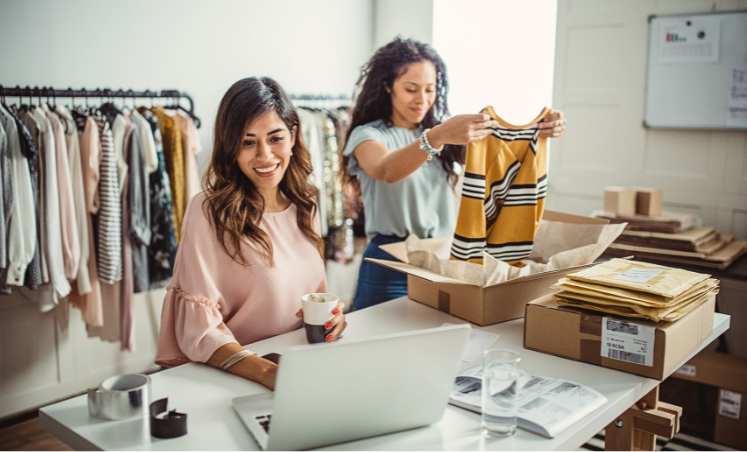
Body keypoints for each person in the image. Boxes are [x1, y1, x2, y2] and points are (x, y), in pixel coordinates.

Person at [341, 37, 566, 310]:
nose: (422, 99)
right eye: (411, 89)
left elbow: (499, 154)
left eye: (430, 89)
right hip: (391, 262)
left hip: (444, 258)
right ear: (388, 86)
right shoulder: (368, 135)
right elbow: (387, 170)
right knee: (376, 342)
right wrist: (436, 137)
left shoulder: (445, 136)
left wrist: (539, 129)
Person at [156, 77, 347, 390]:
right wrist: (269, 374)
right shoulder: (208, 212)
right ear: (230, 146)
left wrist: (333, 318)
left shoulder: (306, 203)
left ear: (293, 135)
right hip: (237, 377)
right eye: (248, 142)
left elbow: (312, 296)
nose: (265, 156)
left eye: (275, 138)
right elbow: (199, 330)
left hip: (302, 364)